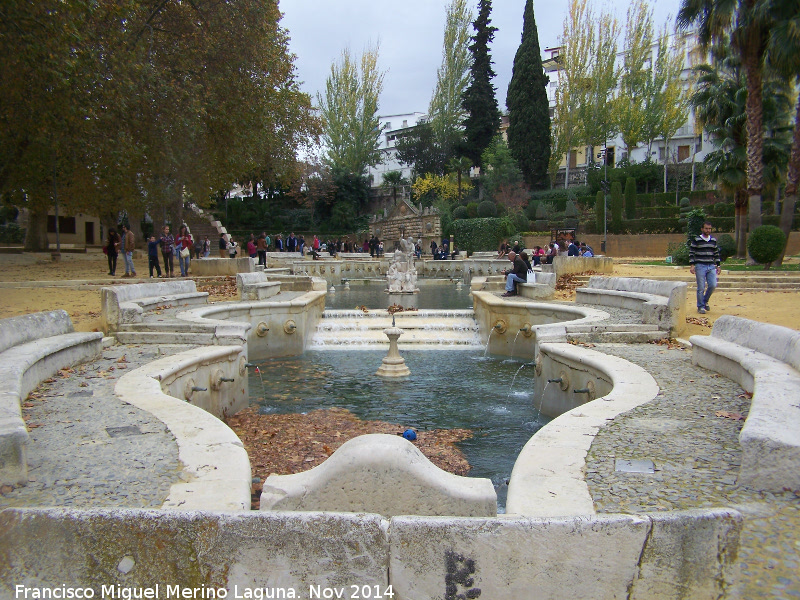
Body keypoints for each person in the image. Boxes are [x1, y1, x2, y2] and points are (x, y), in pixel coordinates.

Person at [689, 221, 721, 314]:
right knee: (701, 287)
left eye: (710, 229)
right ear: (702, 229)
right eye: (706, 228)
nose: (708, 230)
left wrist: (718, 266)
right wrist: (692, 265)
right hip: (700, 265)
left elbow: (716, 253)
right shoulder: (697, 240)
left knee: (713, 285)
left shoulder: (713, 240)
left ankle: (705, 300)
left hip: (711, 265)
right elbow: (691, 253)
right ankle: (701, 306)